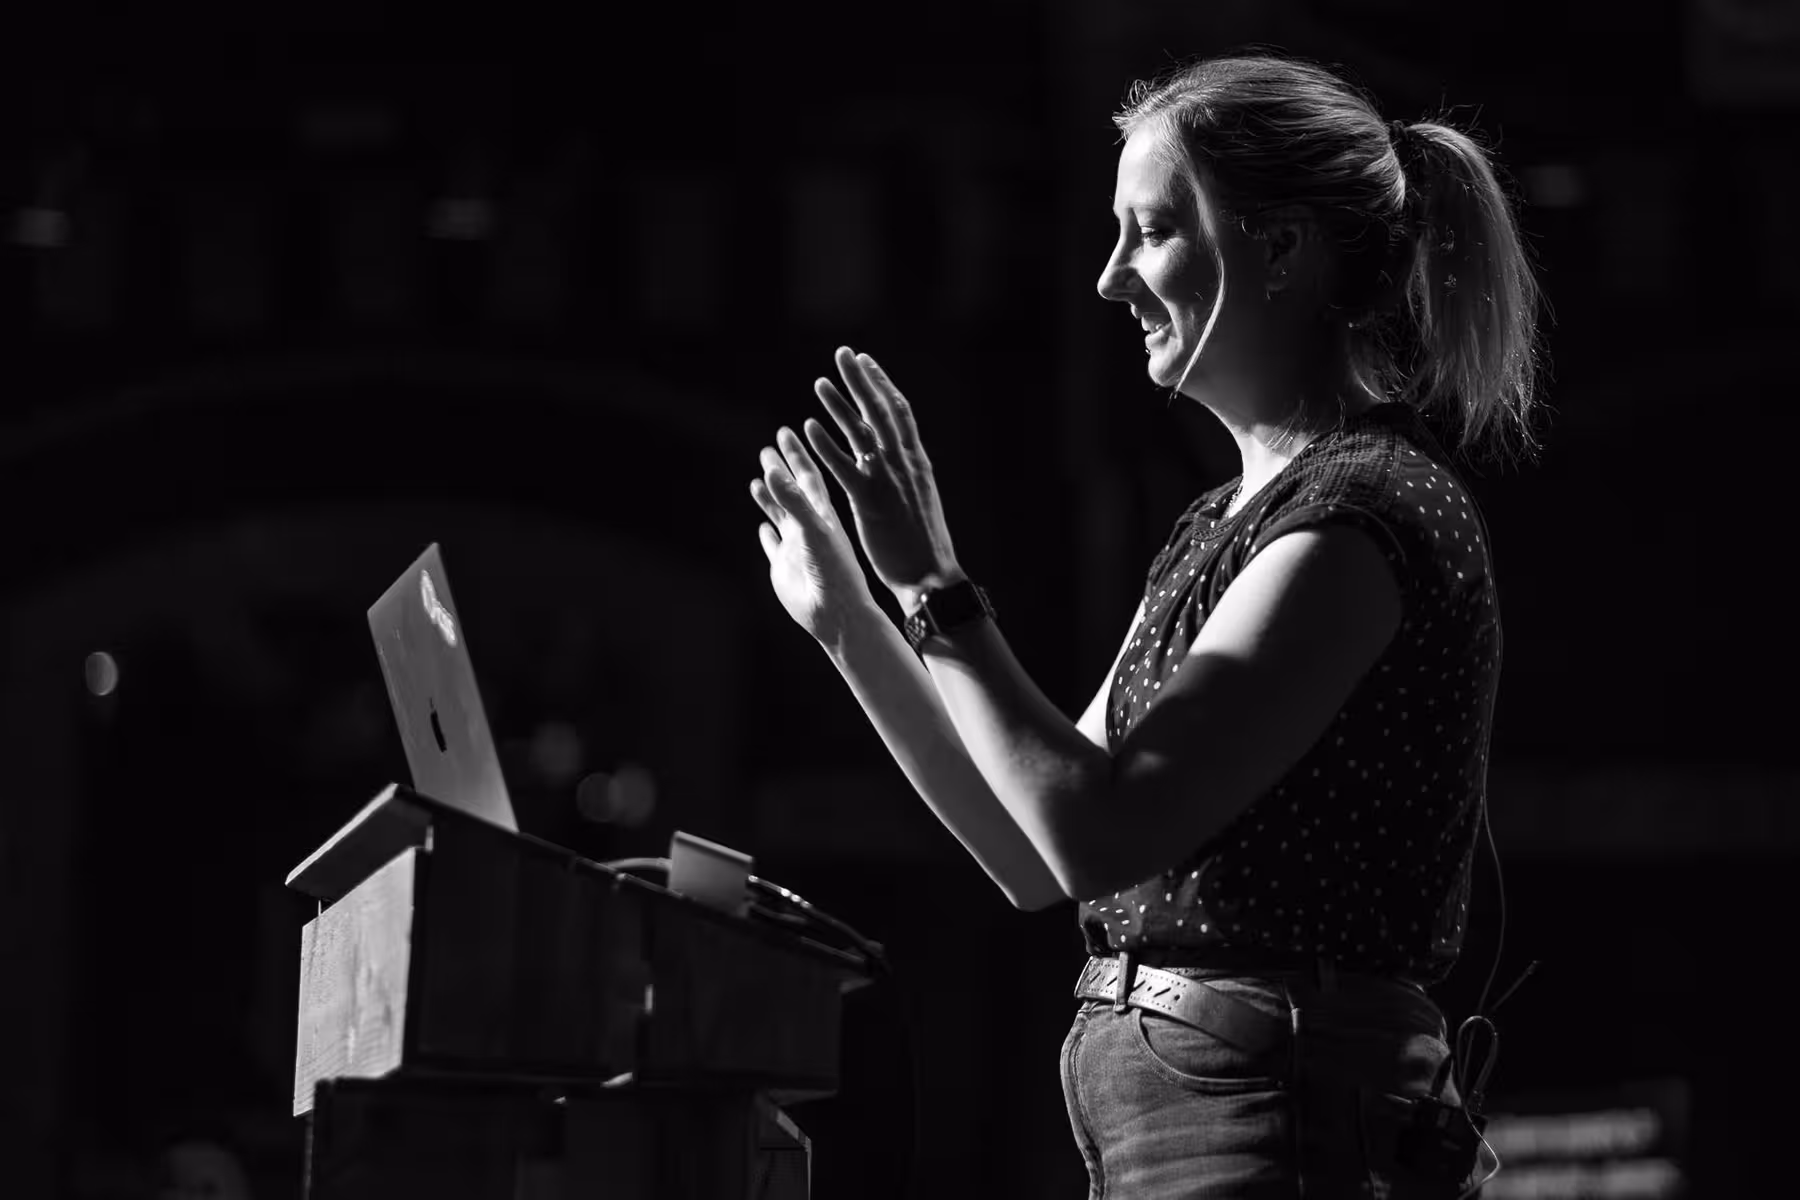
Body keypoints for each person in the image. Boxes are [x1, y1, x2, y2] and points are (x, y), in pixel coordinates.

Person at [748, 49, 1542, 1199]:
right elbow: (1031, 848)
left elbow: (1095, 831)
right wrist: (853, 624)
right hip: (1215, 1119)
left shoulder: (1361, 517)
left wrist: (934, 582)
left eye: (1153, 231)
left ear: (1281, 250)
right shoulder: (1224, 526)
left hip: (1280, 1123)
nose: (1111, 279)